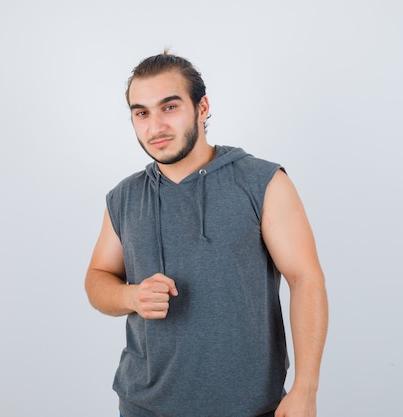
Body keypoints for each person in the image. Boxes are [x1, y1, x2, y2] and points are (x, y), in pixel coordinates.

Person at [85, 51, 328, 417]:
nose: (155, 127)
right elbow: (97, 279)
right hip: (143, 405)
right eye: (142, 112)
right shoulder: (124, 197)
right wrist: (131, 296)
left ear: (202, 107)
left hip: (250, 407)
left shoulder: (262, 182)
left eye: (169, 107)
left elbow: (306, 279)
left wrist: (305, 390)